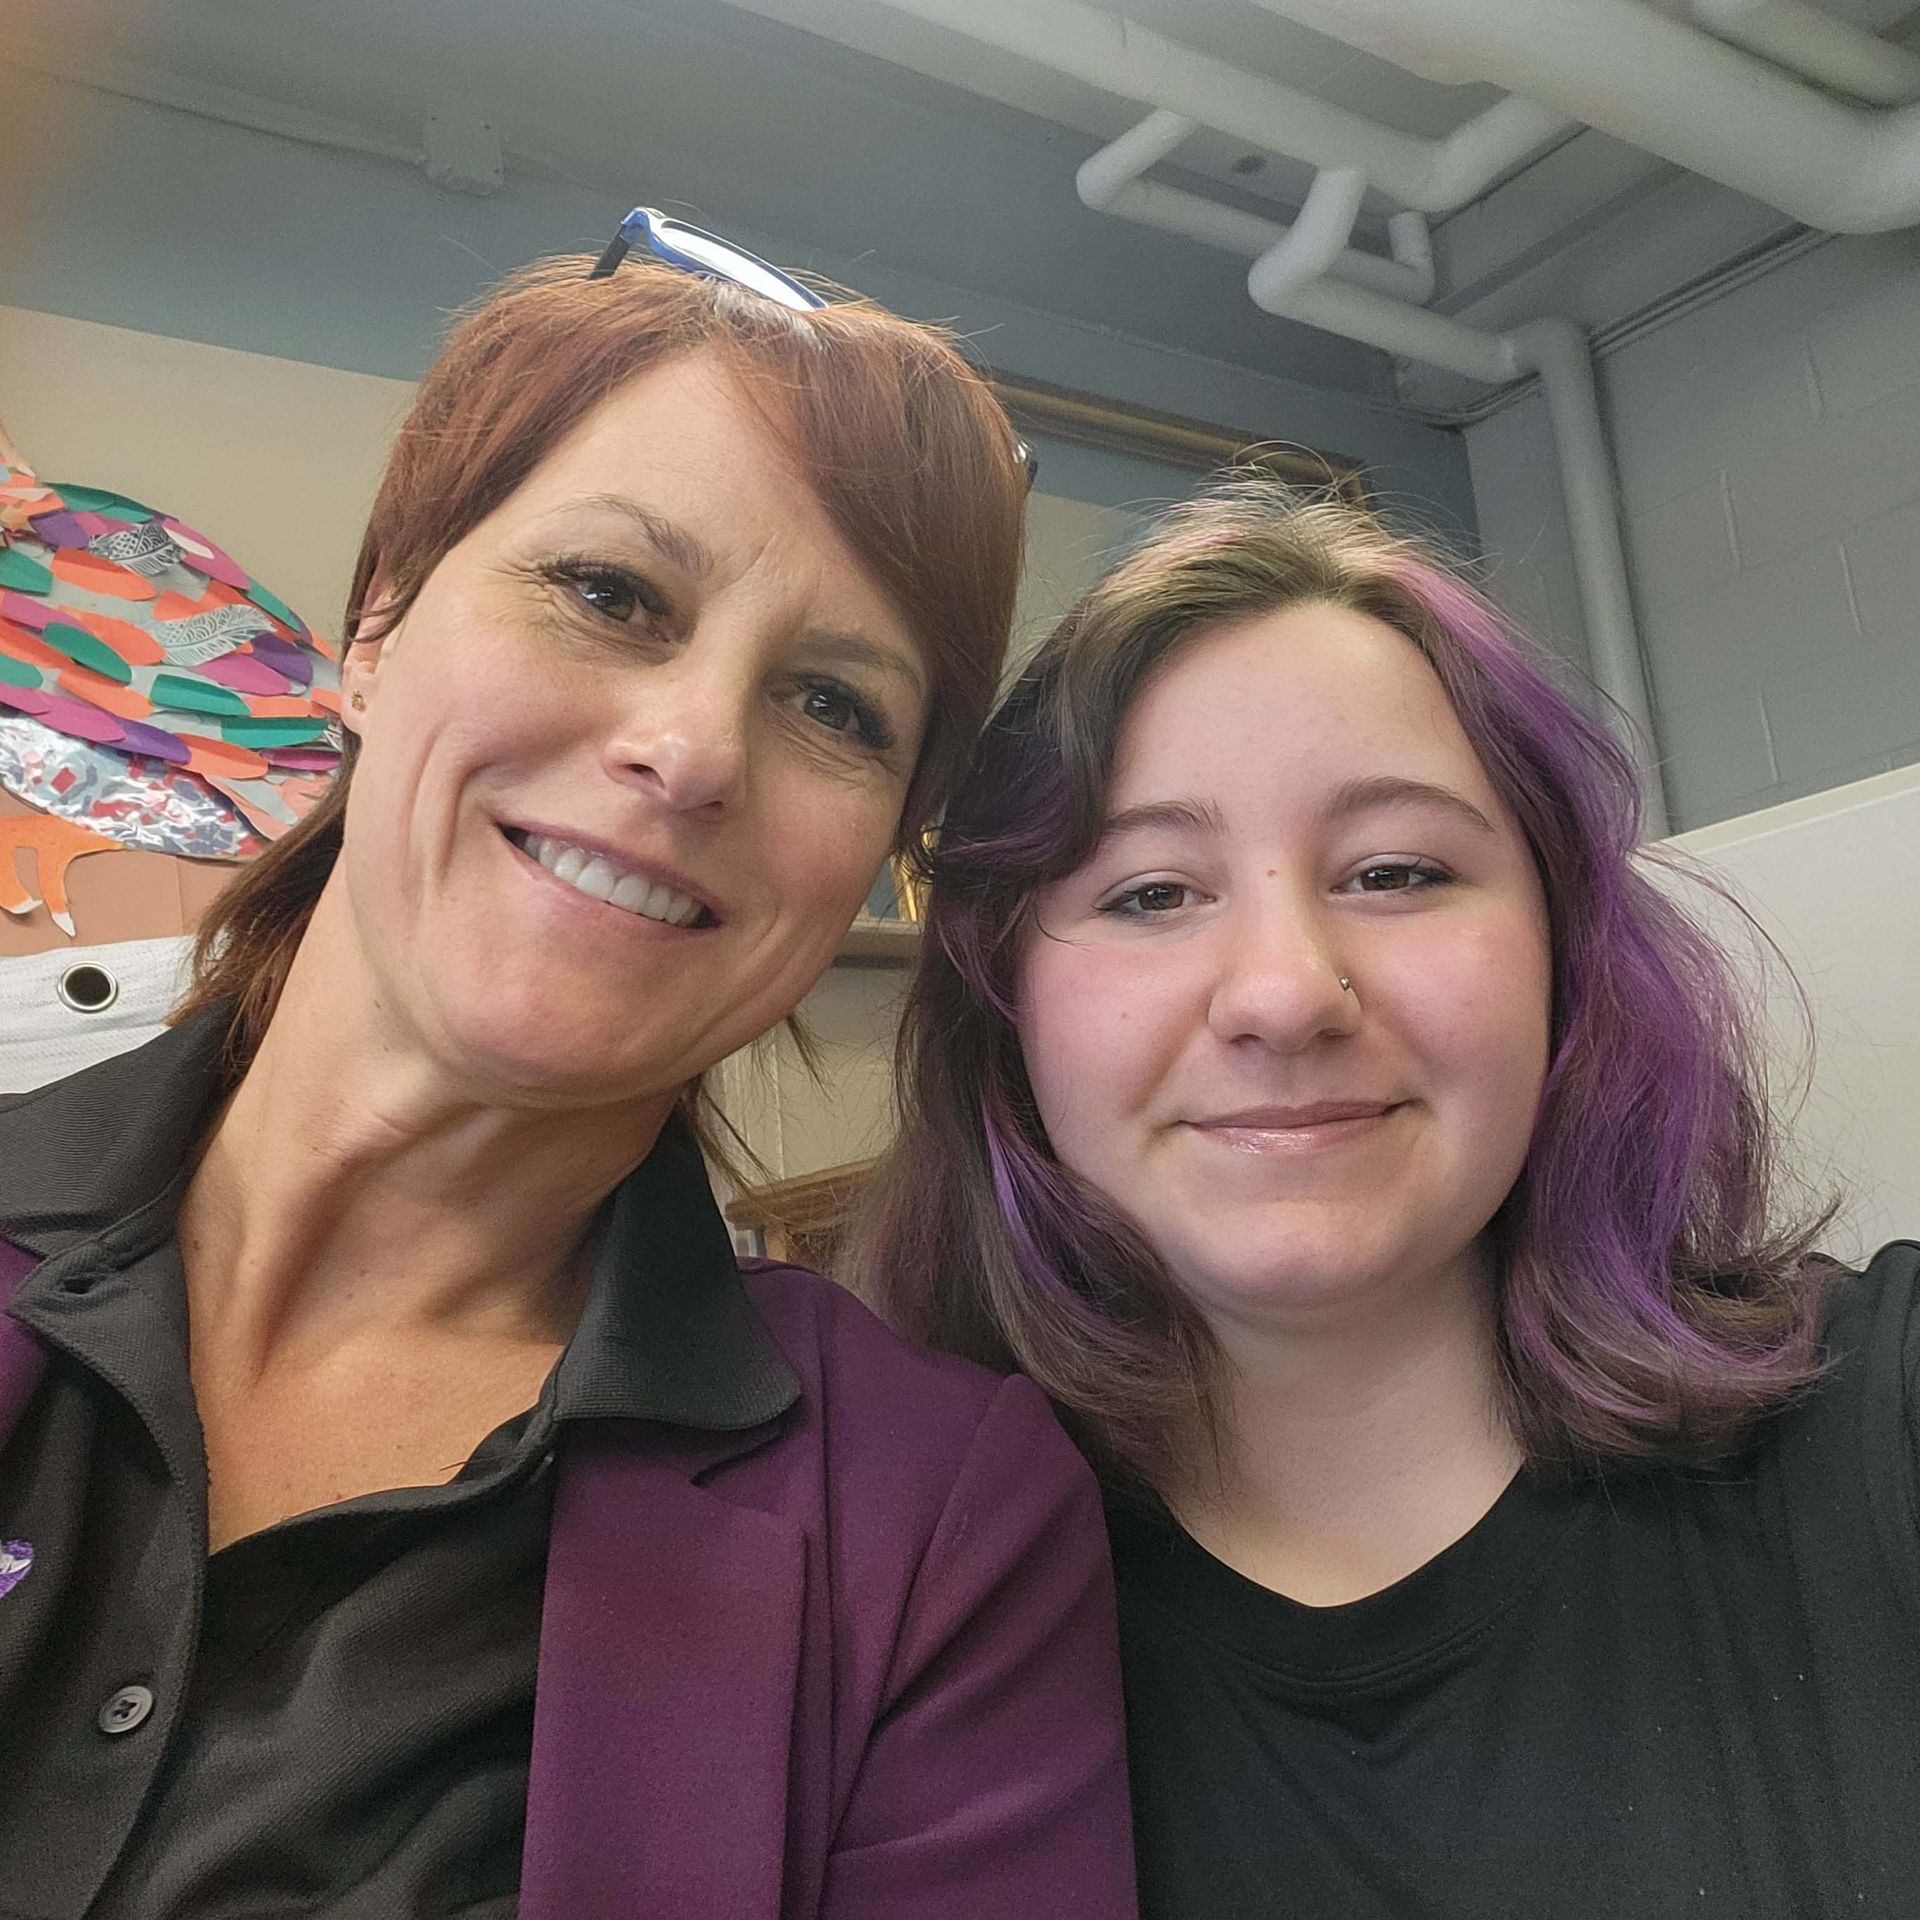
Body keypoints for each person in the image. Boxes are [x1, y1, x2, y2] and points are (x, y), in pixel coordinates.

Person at [0, 211, 1135, 1919]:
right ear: (375, 631)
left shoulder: (936, 1533)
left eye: (836, 706)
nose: (687, 751)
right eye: (609, 593)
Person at [857, 477, 1920, 1919]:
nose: (1287, 993)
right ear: (1011, 1010)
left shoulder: (1880, 1424)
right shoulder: (879, 1627)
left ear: (1564, 958)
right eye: (1153, 893)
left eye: (1399, 870)